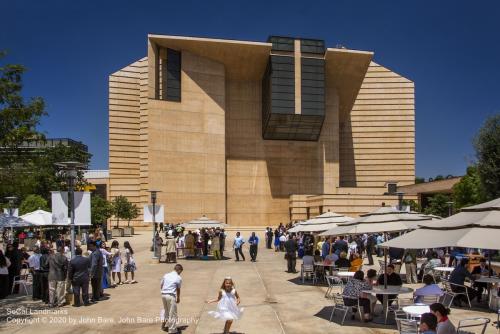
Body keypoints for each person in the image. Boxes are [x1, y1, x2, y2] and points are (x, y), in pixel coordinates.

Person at [160, 264, 183, 333]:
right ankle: (172, 331)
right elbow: (178, 289)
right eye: (180, 271)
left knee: (166, 312)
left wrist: (164, 292)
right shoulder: (178, 277)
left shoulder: (166, 275)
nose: (180, 273)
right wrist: (178, 298)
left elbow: (161, 285)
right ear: (178, 270)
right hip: (171, 296)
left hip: (163, 295)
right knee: (172, 313)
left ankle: (163, 326)